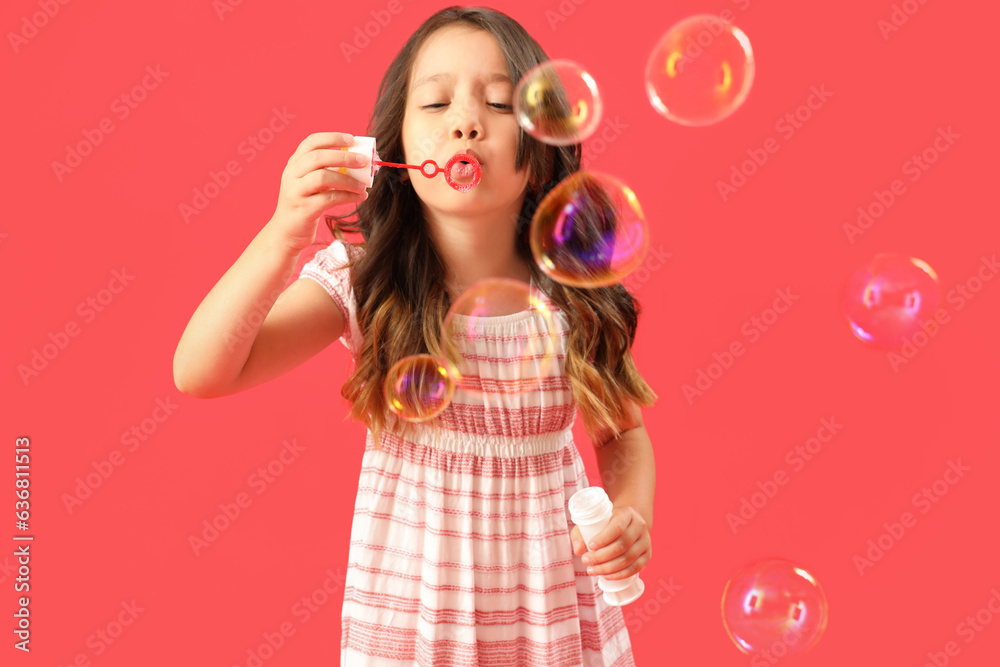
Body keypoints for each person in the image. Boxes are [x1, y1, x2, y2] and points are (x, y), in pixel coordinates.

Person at [173, 6, 657, 665]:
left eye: (495, 101)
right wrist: (282, 234)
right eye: (435, 102)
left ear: (540, 151)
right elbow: (202, 370)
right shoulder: (369, 280)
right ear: (392, 151)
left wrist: (628, 513)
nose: (465, 120)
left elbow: (620, 431)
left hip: (551, 619)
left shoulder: (569, 291)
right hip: (414, 622)